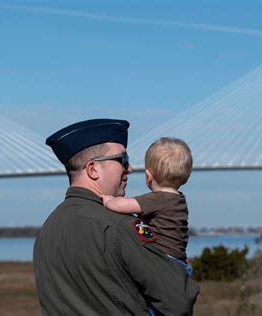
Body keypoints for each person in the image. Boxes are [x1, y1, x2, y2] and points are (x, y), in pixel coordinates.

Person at [33, 119, 199, 315]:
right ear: (93, 169)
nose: (129, 168)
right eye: (123, 160)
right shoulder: (120, 227)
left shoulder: (47, 231)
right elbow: (178, 301)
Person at [102, 137, 193, 277]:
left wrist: (108, 200)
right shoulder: (179, 199)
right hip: (180, 262)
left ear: (148, 176)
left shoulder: (158, 199)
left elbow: (124, 205)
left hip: (164, 263)